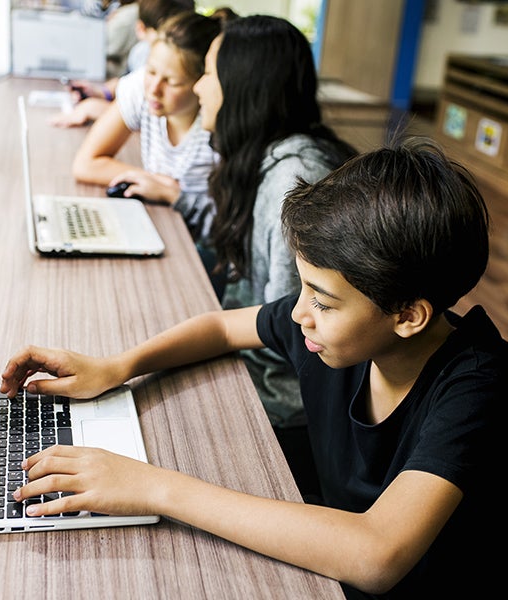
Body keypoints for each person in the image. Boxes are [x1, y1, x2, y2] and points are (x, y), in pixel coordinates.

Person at [0, 138, 508, 598]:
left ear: (407, 315)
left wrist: (154, 488)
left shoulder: (480, 381)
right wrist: (117, 366)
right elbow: (224, 327)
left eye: (322, 300)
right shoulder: (335, 330)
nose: (298, 314)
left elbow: (377, 554)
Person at [193, 15, 357, 496]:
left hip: (285, 411)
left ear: (244, 86)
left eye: (209, 73)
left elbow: (296, 333)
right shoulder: (267, 159)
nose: (200, 87)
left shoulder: (293, 179)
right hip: (259, 374)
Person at [71, 10, 221, 241]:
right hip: (161, 225)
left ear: (202, 81)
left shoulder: (216, 123)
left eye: (171, 81)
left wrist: (171, 194)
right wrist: (155, 182)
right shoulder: (141, 89)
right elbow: (85, 164)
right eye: (151, 71)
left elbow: (227, 226)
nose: (153, 88)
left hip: (203, 242)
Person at [54, 0, 195, 128]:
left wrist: (100, 109)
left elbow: (150, 116)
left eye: (172, 81)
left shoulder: (156, 54)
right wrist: (102, 93)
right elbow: (131, 82)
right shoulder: (141, 52)